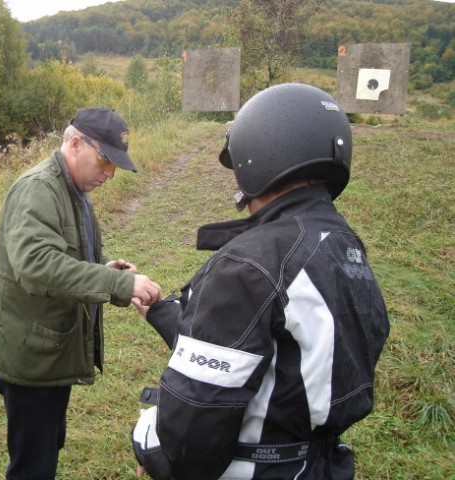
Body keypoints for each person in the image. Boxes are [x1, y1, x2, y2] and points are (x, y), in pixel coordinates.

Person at [131, 83, 390, 480]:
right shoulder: (343, 247)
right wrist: (162, 311)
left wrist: (147, 440)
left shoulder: (250, 262)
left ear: (260, 158)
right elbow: (277, 353)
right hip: (320, 464)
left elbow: (191, 440)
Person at [0, 107, 162, 480]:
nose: (110, 174)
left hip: (48, 351)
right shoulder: (38, 189)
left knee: (47, 442)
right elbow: (37, 266)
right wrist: (117, 285)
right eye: (106, 161)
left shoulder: (73, 188)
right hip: (29, 357)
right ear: (75, 144)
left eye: (115, 165)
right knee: (33, 465)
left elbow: (69, 254)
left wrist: (104, 268)